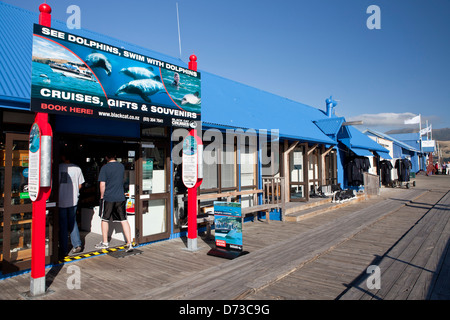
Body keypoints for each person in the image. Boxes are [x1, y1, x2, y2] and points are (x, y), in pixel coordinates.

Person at [95, 153, 133, 252]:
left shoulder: (105, 168)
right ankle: (129, 243)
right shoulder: (121, 166)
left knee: (105, 219)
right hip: (120, 197)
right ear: (115, 155)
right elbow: (122, 180)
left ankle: (105, 242)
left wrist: (102, 196)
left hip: (108, 197)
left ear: (106, 157)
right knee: (124, 219)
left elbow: (102, 184)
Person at [58, 153, 84, 257]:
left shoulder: (58, 167)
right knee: (73, 222)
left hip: (61, 200)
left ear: (63, 156)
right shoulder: (77, 168)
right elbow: (80, 185)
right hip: (73, 200)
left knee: (63, 224)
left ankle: (64, 249)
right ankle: (77, 244)